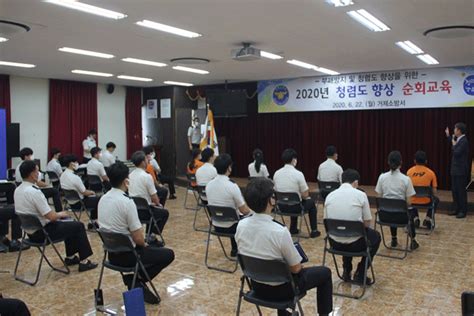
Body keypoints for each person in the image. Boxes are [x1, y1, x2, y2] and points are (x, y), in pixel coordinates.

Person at [236, 178, 333, 316]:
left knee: (275, 266)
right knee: (324, 273)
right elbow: (296, 268)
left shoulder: (241, 225)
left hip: (257, 286)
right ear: (271, 201)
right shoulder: (279, 231)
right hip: (283, 291)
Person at [98, 162, 174, 304]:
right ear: (126, 180)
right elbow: (139, 240)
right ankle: (137, 280)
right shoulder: (127, 203)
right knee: (168, 254)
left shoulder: (102, 199)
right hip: (130, 255)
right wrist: (145, 244)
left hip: (111, 253)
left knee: (154, 249)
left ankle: (136, 280)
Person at [14, 160, 97, 272]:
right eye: (37, 171)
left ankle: (71, 257)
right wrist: (61, 214)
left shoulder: (17, 190)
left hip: (29, 233)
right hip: (43, 233)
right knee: (78, 225)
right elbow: (51, 217)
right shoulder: (34, 192)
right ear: (32, 174)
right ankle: (84, 262)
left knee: (70, 223)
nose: (39, 174)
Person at [324, 169, 381, 284]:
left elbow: (326, 222)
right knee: (375, 237)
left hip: (334, 244)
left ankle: (346, 269)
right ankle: (361, 272)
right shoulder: (360, 195)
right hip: (356, 245)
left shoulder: (329, 196)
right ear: (355, 182)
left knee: (344, 230)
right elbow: (367, 223)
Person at [206, 154, 251, 257]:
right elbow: (244, 210)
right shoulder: (232, 186)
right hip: (232, 227)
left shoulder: (209, 185)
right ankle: (248, 250)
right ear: (229, 168)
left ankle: (235, 249)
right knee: (247, 217)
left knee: (232, 215)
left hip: (216, 225)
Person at [375, 151, 419, 250]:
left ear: (388, 162)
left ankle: (394, 238)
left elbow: (379, 197)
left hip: (384, 217)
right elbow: (409, 202)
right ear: (401, 163)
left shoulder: (381, 177)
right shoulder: (406, 179)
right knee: (409, 211)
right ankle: (413, 240)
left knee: (391, 207)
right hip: (402, 218)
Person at [273, 149, 320, 238]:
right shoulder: (298, 174)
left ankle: (293, 228)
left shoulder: (276, 173)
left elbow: (275, 191)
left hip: (281, 207)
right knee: (309, 203)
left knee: (294, 200)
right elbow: (305, 195)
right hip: (296, 207)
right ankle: (314, 230)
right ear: (294, 160)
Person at [128, 151, 169, 243]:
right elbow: (154, 197)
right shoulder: (146, 176)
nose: (148, 160)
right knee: (164, 213)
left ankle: (149, 234)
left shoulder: (130, 175)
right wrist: (158, 204)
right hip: (145, 211)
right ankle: (151, 235)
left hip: (133, 209)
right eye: (146, 159)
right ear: (143, 162)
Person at [15, 147, 64, 213]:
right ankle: (59, 212)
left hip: (23, 190)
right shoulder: (29, 167)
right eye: (31, 155)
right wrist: (48, 185)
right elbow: (37, 183)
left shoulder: (18, 166)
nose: (32, 157)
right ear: (26, 156)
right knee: (54, 191)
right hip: (32, 190)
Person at [60, 154, 100, 230]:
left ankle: (93, 222)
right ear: (71, 164)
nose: (77, 163)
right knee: (98, 199)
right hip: (79, 203)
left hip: (70, 202)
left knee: (93, 199)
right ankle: (93, 222)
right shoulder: (75, 177)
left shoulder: (62, 175)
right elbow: (84, 192)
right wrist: (92, 192)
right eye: (75, 162)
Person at [407, 151, 439, 229]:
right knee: (436, 200)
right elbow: (434, 192)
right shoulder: (431, 173)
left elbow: (407, 190)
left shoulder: (409, 172)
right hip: (426, 201)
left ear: (414, 161)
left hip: (412, 201)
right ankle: (428, 218)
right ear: (426, 161)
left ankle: (415, 218)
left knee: (409, 197)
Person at [445, 122, 470, 218]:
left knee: (461, 191)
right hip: (455, 170)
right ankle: (456, 209)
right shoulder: (458, 139)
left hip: (460, 171)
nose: (454, 130)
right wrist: (448, 136)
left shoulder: (464, 141)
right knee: (455, 191)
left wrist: (454, 143)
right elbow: (453, 144)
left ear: (459, 130)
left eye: (455, 129)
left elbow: (456, 152)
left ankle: (463, 211)